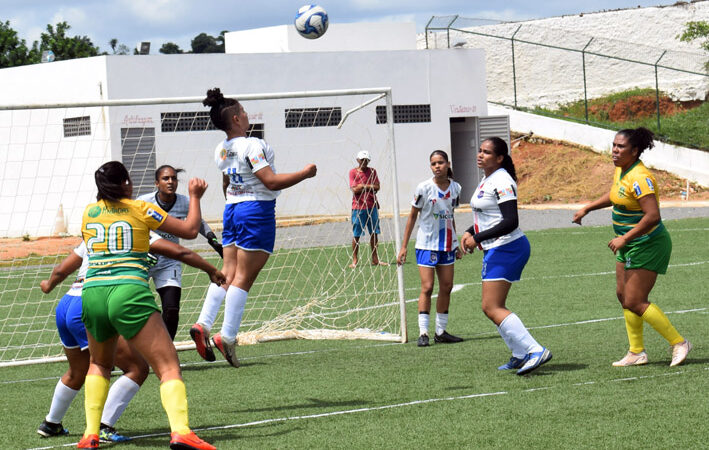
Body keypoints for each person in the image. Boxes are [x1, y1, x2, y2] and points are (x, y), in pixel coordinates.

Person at [77, 161, 215, 450]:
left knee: (99, 364)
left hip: (91, 293)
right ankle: (180, 432)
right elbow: (190, 231)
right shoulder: (141, 209)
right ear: (126, 183)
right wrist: (196, 197)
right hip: (128, 291)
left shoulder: (88, 213)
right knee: (168, 366)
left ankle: (90, 434)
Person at [37, 237, 225, 443]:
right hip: (92, 300)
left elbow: (61, 270)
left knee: (79, 370)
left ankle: (51, 423)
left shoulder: (95, 228)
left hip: (67, 303)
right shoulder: (136, 224)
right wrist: (210, 268)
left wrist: (48, 285)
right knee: (137, 367)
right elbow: (183, 246)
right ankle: (103, 426)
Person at [189, 87, 317, 368]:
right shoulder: (252, 144)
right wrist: (305, 174)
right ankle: (228, 336)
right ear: (236, 119)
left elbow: (226, 183)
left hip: (232, 209)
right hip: (255, 210)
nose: (247, 115)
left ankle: (203, 323)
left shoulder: (221, 149)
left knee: (228, 272)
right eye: (244, 112)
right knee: (243, 278)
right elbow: (270, 181)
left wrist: (237, 201)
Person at [572, 127, 691, 367]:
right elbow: (616, 195)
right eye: (614, 145)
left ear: (635, 151)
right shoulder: (621, 170)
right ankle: (636, 352)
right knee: (623, 296)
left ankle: (679, 342)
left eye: (621, 147)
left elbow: (653, 216)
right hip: (630, 243)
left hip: (648, 243)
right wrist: (588, 207)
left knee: (635, 300)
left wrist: (625, 238)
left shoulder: (640, 177)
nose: (615, 150)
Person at [461, 137, 552, 376]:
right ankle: (520, 355)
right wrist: (471, 231)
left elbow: (511, 221)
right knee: (491, 306)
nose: (480, 155)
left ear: (500, 158)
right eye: (479, 150)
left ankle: (535, 350)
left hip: (508, 247)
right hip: (497, 247)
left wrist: (477, 239)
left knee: (492, 306)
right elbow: (489, 215)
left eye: (487, 152)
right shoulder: (488, 178)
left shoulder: (501, 180)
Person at [138, 165, 223, 340]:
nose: (170, 182)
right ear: (156, 183)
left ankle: (166, 349)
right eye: (165, 178)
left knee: (171, 309)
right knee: (135, 309)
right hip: (143, 261)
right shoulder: (143, 203)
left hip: (170, 261)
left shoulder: (185, 202)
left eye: (173, 178)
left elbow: (197, 222)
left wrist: (213, 241)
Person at [397, 150, 464, 347]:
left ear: (448, 164)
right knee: (427, 287)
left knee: (447, 287)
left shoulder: (456, 188)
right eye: (434, 163)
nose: (437, 166)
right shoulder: (424, 188)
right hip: (426, 244)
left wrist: (456, 243)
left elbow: (450, 215)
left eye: (441, 162)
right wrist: (403, 247)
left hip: (447, 245)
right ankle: (424, 332)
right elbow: (412, 216)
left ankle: (441, 332)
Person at [349, 150, 387, 268]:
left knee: (374, 232)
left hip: (372, 206)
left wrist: (364, 186)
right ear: (357, 160)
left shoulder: (372, 171)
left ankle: (375, 258)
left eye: (366, 160)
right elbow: (354, 189)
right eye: (362, 160)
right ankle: (355, 259)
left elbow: (377, 187)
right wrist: (369, 188)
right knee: (357, 234)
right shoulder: (353, 172)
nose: (364, 162)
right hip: (358, 207)